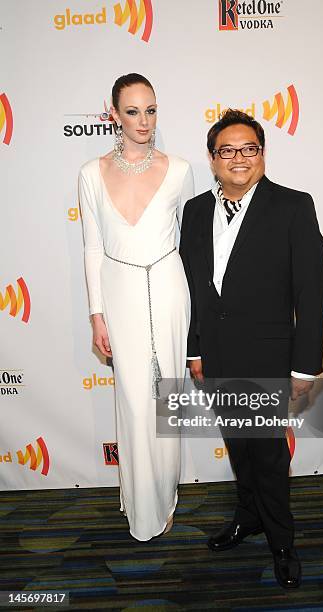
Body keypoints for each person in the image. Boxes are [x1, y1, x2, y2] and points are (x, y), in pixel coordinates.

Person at [180, 109, 323, 588]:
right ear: (213, 158)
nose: (238, 158)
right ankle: (249, 518)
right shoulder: (197, 210)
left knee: (268, 457)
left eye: (248, 149)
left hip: (269, 357)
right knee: (238, 448)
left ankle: (282, 542)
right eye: (227, 150)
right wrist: (194, 350)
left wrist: (305, 367)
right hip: (217, 356)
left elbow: (312, 289)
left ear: (262, 154)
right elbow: (192, 289)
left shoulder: (293, 206)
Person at [79, 73, 194, 541]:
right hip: (119, 290)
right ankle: (139, 502)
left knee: (167, 398)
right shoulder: (90, 173)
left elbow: (192, 240)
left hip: (168, 287)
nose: (143, 120)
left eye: (150, 110)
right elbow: (91, 249)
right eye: (132, 111)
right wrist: (96, 314)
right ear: (114, 114)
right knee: (131, 402)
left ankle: (165, 494)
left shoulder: (181, 169)